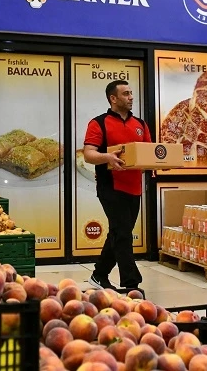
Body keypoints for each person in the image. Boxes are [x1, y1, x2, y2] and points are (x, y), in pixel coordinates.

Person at [83, 80, 151, 291]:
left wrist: (160, 164)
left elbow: (148, 152)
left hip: (134, 188)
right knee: (123, 234)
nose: (131, 97)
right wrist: (108, 157)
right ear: (113, 98)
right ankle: (132, 285)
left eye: (131, 93)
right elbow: (88, 154)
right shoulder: (98, 123)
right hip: (110, 187)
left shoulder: (140, 124)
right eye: (126, 94)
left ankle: (99, 275)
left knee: (118, 232)